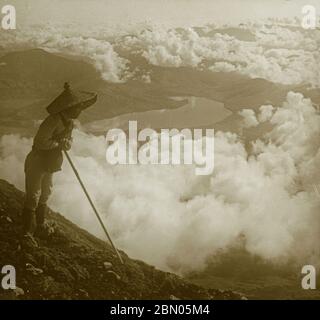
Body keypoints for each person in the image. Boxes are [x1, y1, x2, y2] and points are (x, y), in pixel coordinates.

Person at [21, 83, 97, 245]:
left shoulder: (69, 123)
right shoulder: (53, 121)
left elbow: (68, 141)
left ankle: (40, 225)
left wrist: (66, 144)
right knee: (33, 195)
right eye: (77, 107)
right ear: (69, 107)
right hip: (37, 160)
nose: (79, 110)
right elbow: (40, 142)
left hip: (50, 162)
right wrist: (58, 144)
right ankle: (27, 232)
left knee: (46, 192)